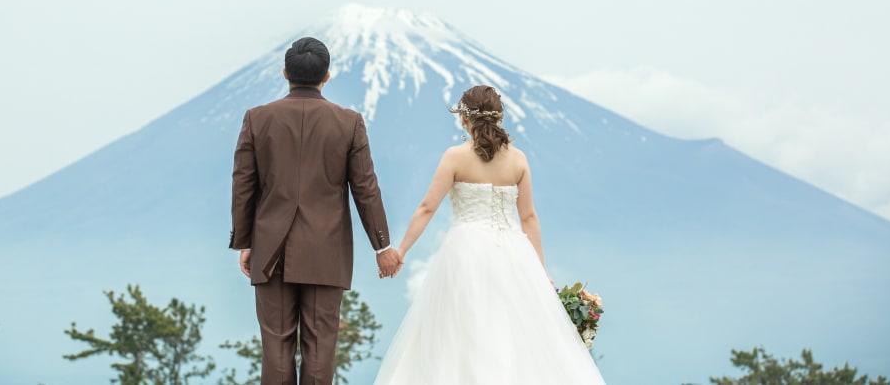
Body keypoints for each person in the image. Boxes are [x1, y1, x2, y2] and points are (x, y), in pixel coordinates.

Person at [373, 85, 607, 384]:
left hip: (466, 251)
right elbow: (529, 217)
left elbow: (427, 208)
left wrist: (401, 251)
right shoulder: (519, 159)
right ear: (499, 118)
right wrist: (540, 269)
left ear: (464, 119)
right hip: (513, 252)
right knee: (513, 333)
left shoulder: (454, 157)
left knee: (462, 333)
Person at [229, 36, 403, 385]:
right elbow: (365, 188)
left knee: (276, 349)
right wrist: (382, 246)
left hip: (269, 251)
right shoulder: (349, 122)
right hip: (326, 251)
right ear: (327, 76)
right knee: (321, 350)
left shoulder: (257, 119)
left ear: (284, 73)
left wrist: (245, 242)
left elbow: (243, 184)